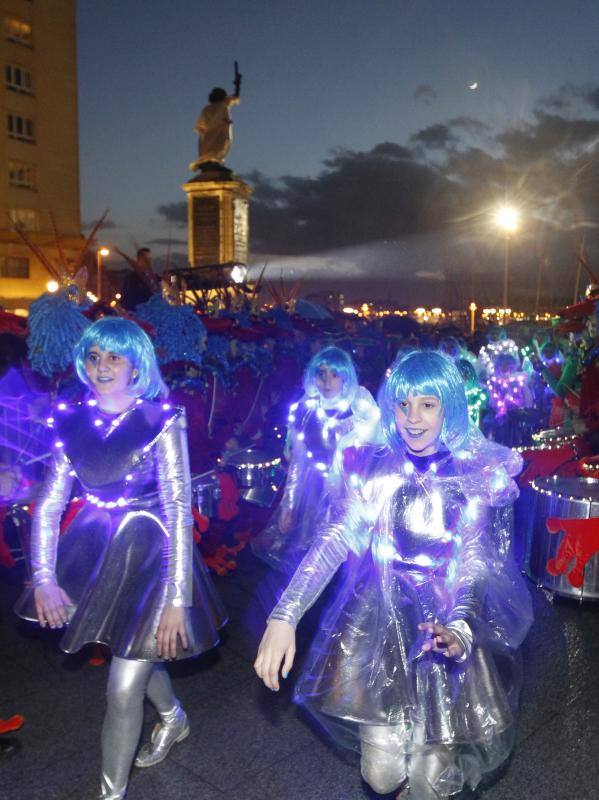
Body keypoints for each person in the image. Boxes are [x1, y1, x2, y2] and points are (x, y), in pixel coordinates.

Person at [255, 350, 532, 799]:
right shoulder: (372, 467)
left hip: (442, 626)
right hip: (377, 620)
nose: (413, 418)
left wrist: (460, 627)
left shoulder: (472, 474)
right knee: (380, 775)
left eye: (428, 404)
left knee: (429, 779)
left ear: (449, 407)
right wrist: (285, 615)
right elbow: (333, 539)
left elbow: (477, 560)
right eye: (403, 405)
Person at [15, 317, 226, 800]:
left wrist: (178, 598)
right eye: (93, 356)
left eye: (114, 357)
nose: (101, 366)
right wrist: (43, 579)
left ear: (137, 365)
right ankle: (173, 718)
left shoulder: (161, 419)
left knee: (122, 685)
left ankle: (111, 794)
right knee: (132, 653)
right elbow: (49, 503)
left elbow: (176, 507)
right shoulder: (69, 419)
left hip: (154, 551)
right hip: (97, 546)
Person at [251, 345, 381, 574]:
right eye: (321, 374)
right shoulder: (305, 411)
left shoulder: (360, 408)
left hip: (351, 494)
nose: (327, 382)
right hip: (313, 493)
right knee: (313, 560)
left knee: (348, 560)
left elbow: (376, 457)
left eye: (334, 375)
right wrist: (288, 506)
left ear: (346, 378)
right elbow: (297, 465)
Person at [195, 87, 240, 167]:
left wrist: (237, 84)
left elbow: (200, 126)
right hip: (216, 133)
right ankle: (211, 163)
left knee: (215, 149)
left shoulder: (210, 107)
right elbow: (235, 96)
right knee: (216, 149)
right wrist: (238, 86)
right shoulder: (220, 104)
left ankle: (213, 163)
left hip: (211, 134)